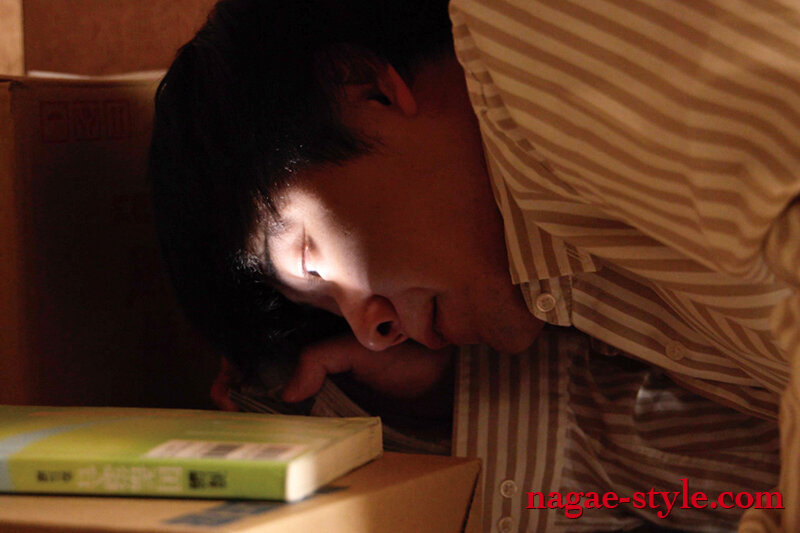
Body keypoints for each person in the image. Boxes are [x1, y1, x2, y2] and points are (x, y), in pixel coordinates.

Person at [150, 0, 800, 531]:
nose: (372, 332)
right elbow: (765, 481)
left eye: (310, 263)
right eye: (329, 312)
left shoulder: (539, 43)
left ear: (365, 88)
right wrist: (442, 408)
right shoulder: (570, 277)